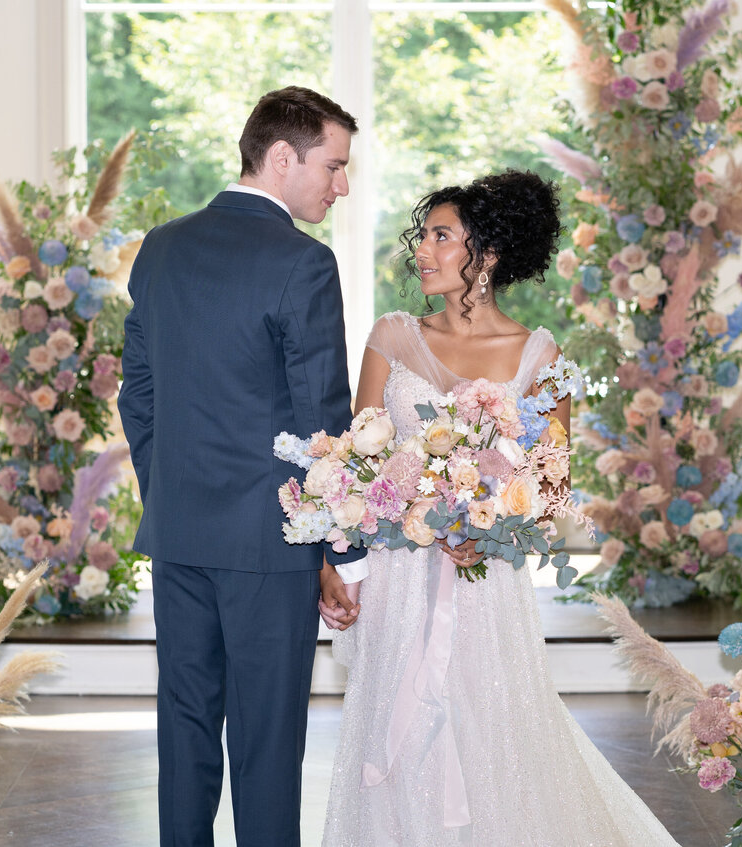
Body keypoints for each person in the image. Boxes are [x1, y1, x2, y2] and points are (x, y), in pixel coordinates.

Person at [321, 171, 682, 845]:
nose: (422, 251)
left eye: (440, 236)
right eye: (424, 236)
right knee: (395, 735)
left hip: (485, 584)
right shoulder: (391, 336)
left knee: (489, 730)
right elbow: (359, 460)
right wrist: (410, 517)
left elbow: (551, 487)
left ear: (485, 255)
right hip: (400, 582)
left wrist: (483, 525)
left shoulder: (542, 356)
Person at [118, 86, 369, 847]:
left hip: (179, 533)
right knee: (266, 741)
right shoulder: (304, 262)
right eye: (333, 164)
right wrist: (342, 553)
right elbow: (321, 422)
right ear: (283, 157)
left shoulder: (161, 246)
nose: (342, 184)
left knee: (185, 726)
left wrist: (172, 496)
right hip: (270, 544)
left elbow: (140, 397)